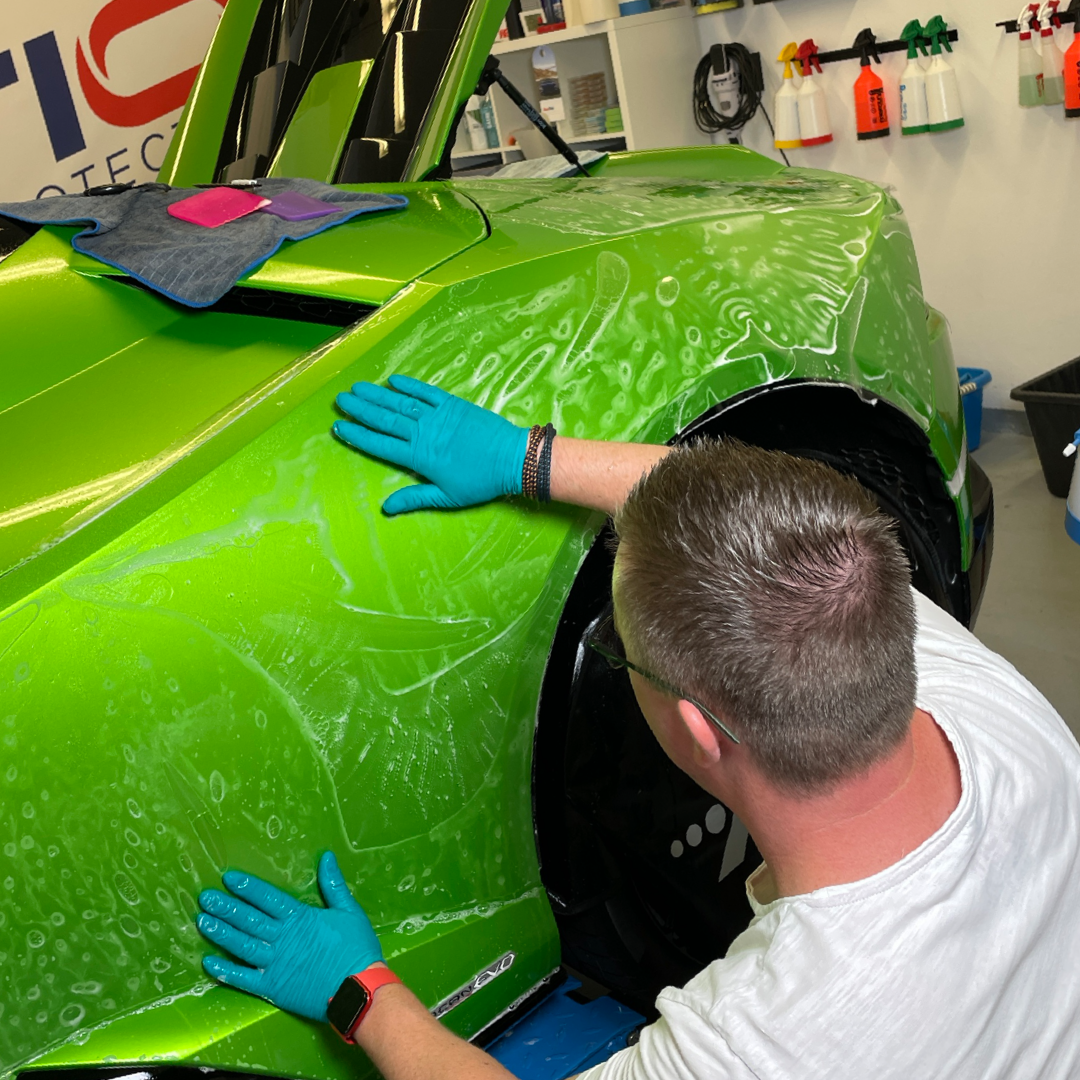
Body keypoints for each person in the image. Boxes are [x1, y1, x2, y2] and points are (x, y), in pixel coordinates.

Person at [194, 377, 1080, 1079]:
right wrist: (524, 459)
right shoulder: (991, 704)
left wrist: (361, 994)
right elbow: (756, 510)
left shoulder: (763, 1038)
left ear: (699, 729)